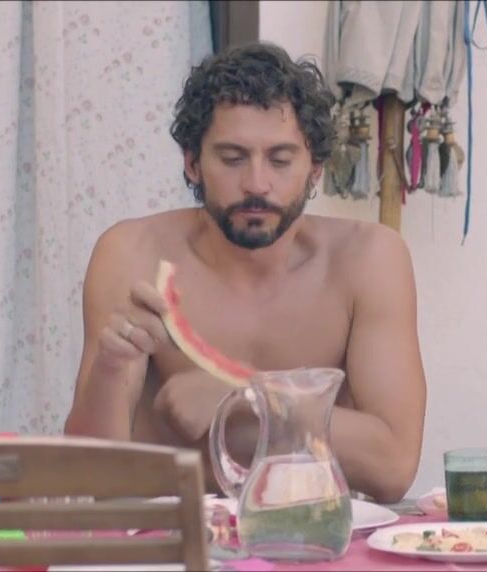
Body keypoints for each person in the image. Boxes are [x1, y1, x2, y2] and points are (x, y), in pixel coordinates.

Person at [63, 42, 426, 503]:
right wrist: (111, 368)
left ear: (315, 169)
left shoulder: (370, 258)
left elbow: (393, 466)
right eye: (232, 158)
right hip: (173, 534)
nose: (256, 183)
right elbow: (89, 475)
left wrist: (245, 397)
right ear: (192, 163)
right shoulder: (131, 254)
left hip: (311, 531)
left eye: (280, 160)